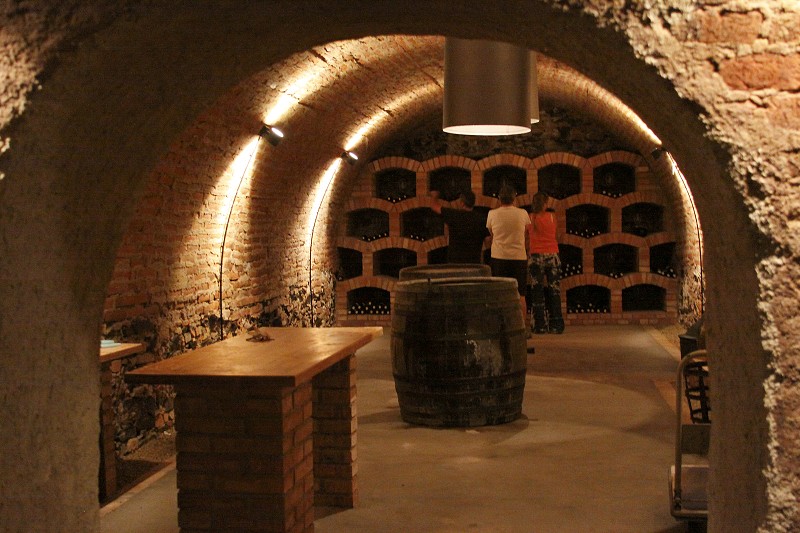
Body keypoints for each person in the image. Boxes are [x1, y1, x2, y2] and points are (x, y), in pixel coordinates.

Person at [486, 184, 531, 327]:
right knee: (521, 294)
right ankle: (521, 327)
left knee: (499, 293)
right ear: (514, 198)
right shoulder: (523, 213)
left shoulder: (492, 214)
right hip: (519, 257)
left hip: (499, 257)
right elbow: (526, 234)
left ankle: (500, 326)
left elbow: (492, 234)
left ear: (499, 199)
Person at [528, 191, 565, 334]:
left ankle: (539, 326)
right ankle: (556, 325)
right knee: (554, 290)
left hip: (535, 256)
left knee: (537, 291)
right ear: (545, 204)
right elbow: (556, 235)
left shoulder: (530, 218)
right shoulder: (552, 216)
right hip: (552, 255)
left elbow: (527, 238)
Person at [430, 189, 489, 264]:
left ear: (462, 203)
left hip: (455, 263)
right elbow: (488, 240)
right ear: (473, 202)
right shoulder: (481, 219)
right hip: (474, 263)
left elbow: (434, 206)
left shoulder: (454, 215)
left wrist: (434, 196)